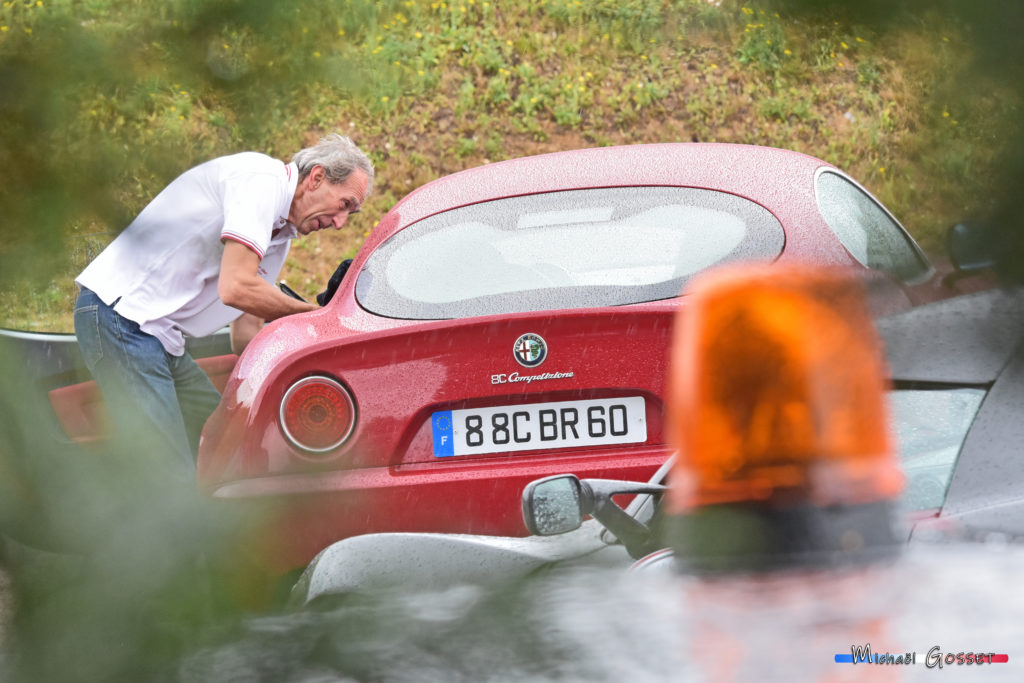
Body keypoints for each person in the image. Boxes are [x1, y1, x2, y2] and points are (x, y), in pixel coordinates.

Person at [73, 133, 374, 474]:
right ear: (317, 177)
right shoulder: (262, 183)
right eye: (345, 204)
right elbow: (236, 288)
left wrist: (297, 372)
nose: (340, 223)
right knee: (166, 474)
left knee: (229, 448)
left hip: (157, 335)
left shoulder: (279, 234)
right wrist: (321, 317)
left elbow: (245, 333)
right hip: (120, 317)